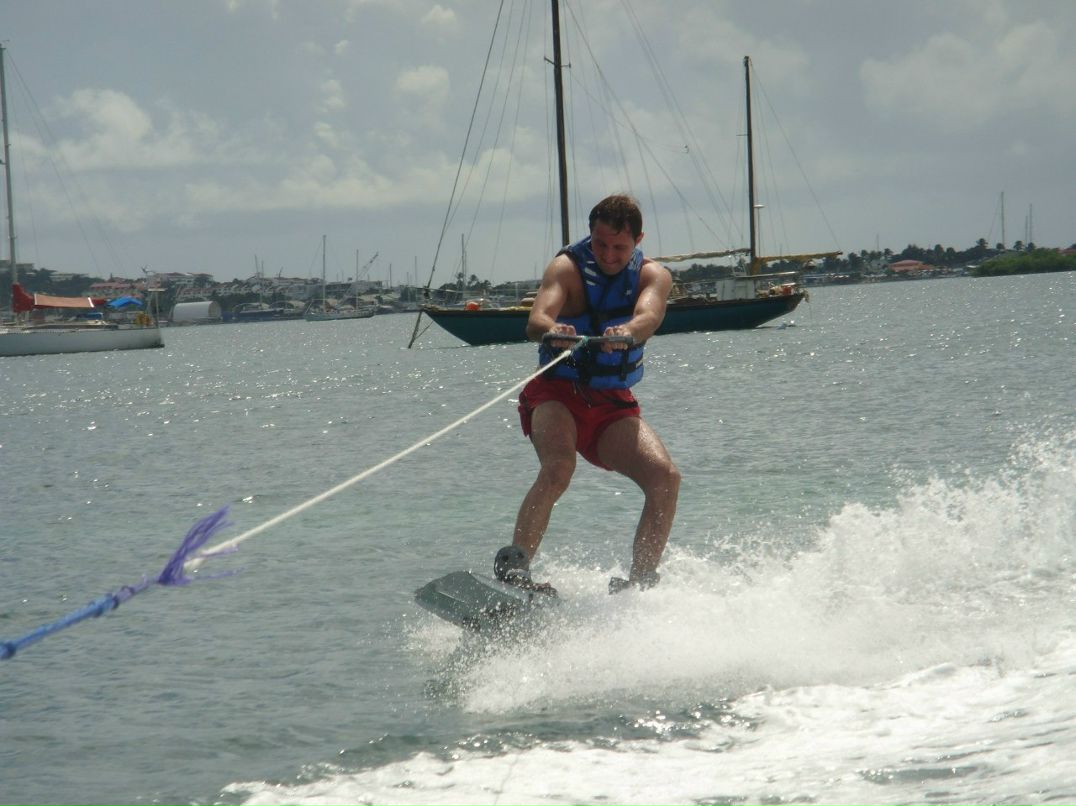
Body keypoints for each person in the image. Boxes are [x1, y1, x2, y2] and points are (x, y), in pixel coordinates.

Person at [494, 194, 681, 595]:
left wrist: (628, 332)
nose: (609, 255)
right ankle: (515, 572)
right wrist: (552, 330)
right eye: (600, 243)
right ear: (589, 235)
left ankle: (640, 584)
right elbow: (537, 318)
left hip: (611, 403)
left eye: (619, 247)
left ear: (638, 240)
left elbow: (649, 317)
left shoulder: (654, 276)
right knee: (558, 468)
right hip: (555, 393)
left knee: (665, 478)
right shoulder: (567, 268)